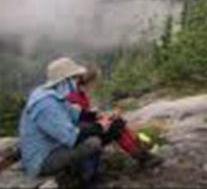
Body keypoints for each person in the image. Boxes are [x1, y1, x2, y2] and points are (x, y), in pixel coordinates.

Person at [19, 57, 124, 186]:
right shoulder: (45, 105)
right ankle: (87, 181)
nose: (77, 82)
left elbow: (77, 114)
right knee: (93, 142)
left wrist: (100, 115)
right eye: (75, 78)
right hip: (42, 160)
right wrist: (100, 127)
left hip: (53, 146)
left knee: (98, 130)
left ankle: (88, 174)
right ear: (65, 80)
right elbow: (71, 137)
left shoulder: (52, 95)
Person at [66, 64, 162, 169]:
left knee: (117, 123)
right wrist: (103, 119)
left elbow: (85, 115)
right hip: (83, 135)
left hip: (86, 130)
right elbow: (79, 119)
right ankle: (143, 156)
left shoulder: (79, 94)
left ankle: (142, 154)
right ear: (90, 80)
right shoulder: (74, 96)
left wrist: (104, 115)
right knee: (117, 126)